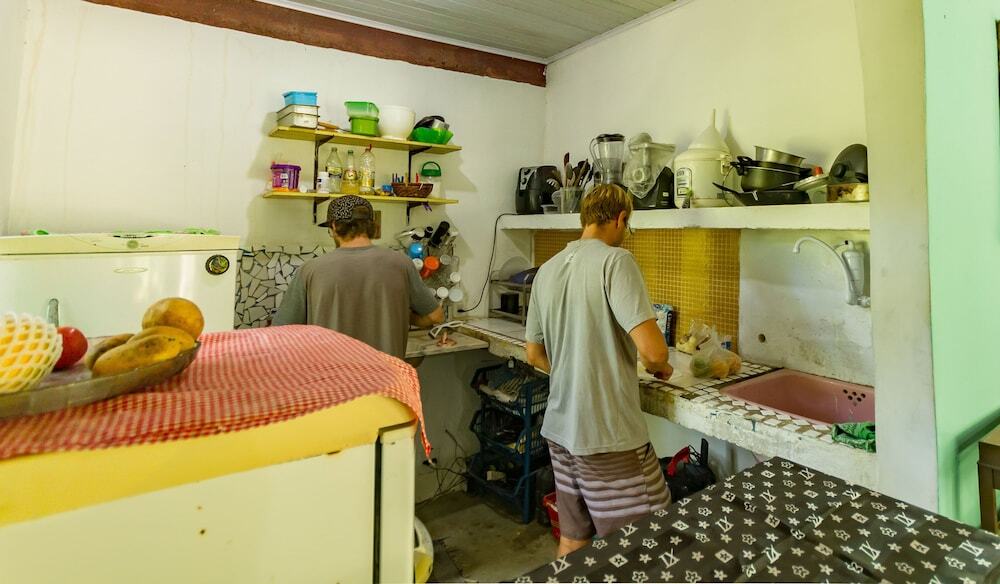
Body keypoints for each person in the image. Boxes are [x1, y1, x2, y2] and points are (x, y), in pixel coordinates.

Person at [524, 184, 673, 557]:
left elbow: (533, 354)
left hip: (560, 431)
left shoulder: (547, 270)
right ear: (621, 219)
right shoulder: (616, 261)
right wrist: (661, 366)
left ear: (585, 218)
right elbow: (654, 353)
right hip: (606, 436)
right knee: (643, 546)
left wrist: (575, 371)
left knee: (573, 539)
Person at [273, 195, 444, 359]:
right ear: (372, 225)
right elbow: (435, 316)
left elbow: (280, 335)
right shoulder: (402, 263)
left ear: (334, 227)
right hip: (387, 376)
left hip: (333, 378)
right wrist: (404, 316)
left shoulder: (310, 270)